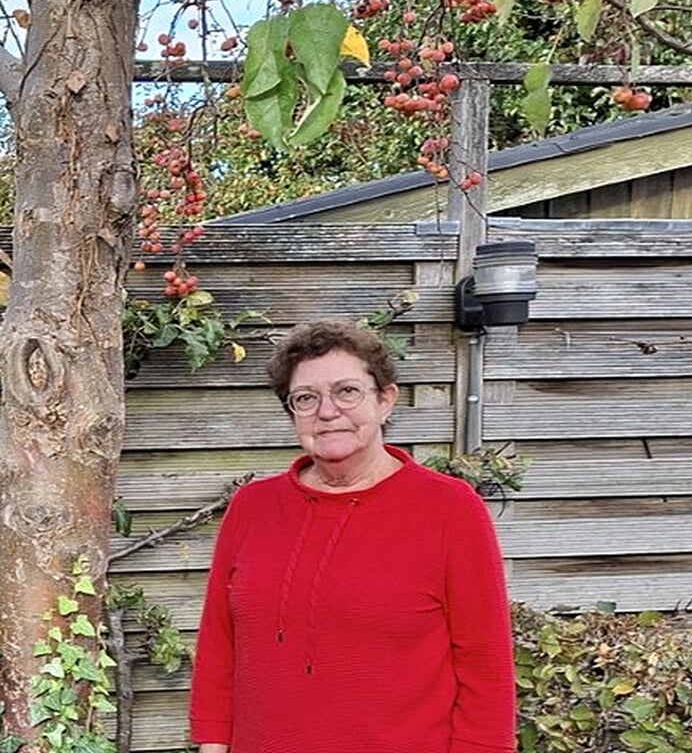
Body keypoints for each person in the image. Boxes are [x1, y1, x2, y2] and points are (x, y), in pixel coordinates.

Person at [188, 319, 517, 753]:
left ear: (385, 400)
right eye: (306, 398)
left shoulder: (450, 509)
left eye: (347, 391)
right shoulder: (253, 506)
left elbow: (485, 665)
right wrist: (212, 744)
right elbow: (219, 642)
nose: (327, 412)